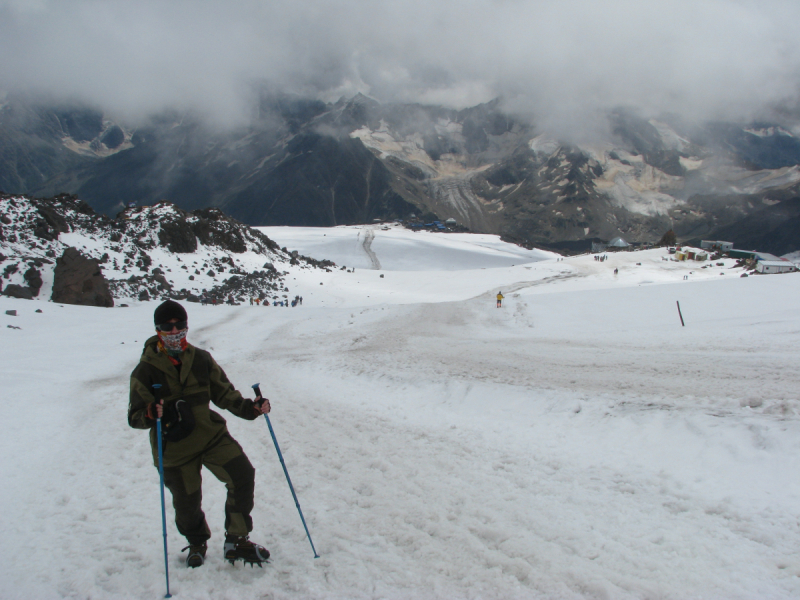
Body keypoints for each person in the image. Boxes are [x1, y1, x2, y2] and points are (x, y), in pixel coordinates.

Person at [128, 300, 272, 568]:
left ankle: (237, 540)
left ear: (186, 326)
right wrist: (149, 413)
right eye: (167, 326)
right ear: (158, 329)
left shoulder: (201, 359)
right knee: (187, 503)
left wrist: (251, 408)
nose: (174, 331)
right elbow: (134, 417)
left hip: (210, 436)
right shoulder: (145, 370)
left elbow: (225, 394)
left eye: (179, 325)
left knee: (242, 475)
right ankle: (196, 542)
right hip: (174, 448)